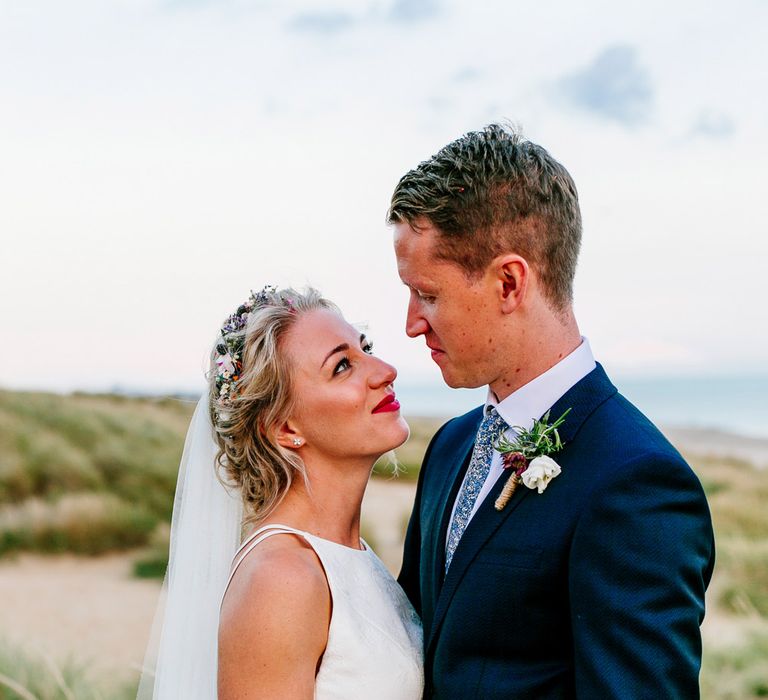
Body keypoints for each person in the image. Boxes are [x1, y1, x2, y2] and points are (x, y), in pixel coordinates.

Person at [389, 124, 715, 698]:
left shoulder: (636, 484)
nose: (412, 323)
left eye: (429, 295)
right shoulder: (449, 447)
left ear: (510, 282)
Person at [138, 287, 423, 699]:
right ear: (286, 429)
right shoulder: (282, 579)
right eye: (342, 366)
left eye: (366, 349)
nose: (384, 370)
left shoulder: (348, 556)